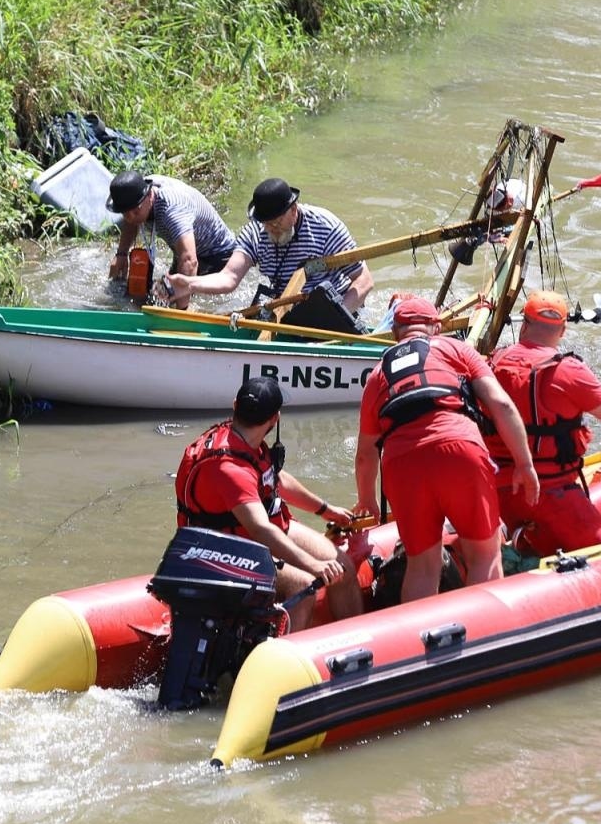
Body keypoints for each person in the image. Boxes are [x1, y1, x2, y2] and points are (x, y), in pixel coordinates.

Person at [354, 296, 538, 603]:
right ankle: (486, 634)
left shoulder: (377, 375)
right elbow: (501, 404)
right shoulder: (457, 349)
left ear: (395, 332)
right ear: (435, 327)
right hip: (457, 449)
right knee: (484, 556)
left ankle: (419, 641)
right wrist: (524, 463)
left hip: (401, 464)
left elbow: (365, 454)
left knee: (421, 566)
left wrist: (366, 498)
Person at [487, 289, 601, 555]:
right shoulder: (568, 370)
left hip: (505, 493)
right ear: (562, 330)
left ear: (524, 325)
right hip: (553, 496)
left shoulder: (493, 363)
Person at [175, 376, 364, 632]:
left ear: (235, 406)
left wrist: (325, 509)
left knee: (344, 568)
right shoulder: (229, 469)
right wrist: (314, 565)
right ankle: (290, 665)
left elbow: (276, 479)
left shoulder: (247, 442)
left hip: (261, 533)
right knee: (304, 586)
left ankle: (355, 640)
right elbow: (260, 530)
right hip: (222, 552)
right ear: (275, 418)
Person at [163, 178, 374, 324]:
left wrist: (335, 317)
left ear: (293, 210)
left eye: (276, 223)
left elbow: (363, 280)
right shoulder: (256, 230)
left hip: (331, 306)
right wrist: (190, 284)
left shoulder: (326, 227)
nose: (270, 229)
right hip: (284, 307)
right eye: (266, 224)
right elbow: (228, 278)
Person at [106, 171, 237, 306]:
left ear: (149, 196)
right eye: (125, 213)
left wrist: (181, 313)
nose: (131, 218)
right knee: (157, 296)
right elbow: (130, 215)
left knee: (195, 304)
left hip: (217, 254)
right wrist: (121, 254)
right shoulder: (134, 191)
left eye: (136, 211)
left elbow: (189, 261)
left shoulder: (172, 210)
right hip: (184, 248)